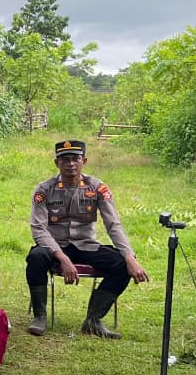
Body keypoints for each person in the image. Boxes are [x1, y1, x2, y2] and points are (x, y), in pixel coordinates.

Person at [27, 140, 149, 338]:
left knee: (121, 264)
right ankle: (40, 316)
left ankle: (93, 320)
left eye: (75, 159)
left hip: (86, 245)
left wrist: (129, 256)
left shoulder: (97, 187)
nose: (70, 164)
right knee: (36, 257)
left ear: (84, 161)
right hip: (55, 246)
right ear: (57, 163)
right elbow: (39, 228)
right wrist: (62, 258)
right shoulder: (44, 190)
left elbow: (113, 224)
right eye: (65, 159)